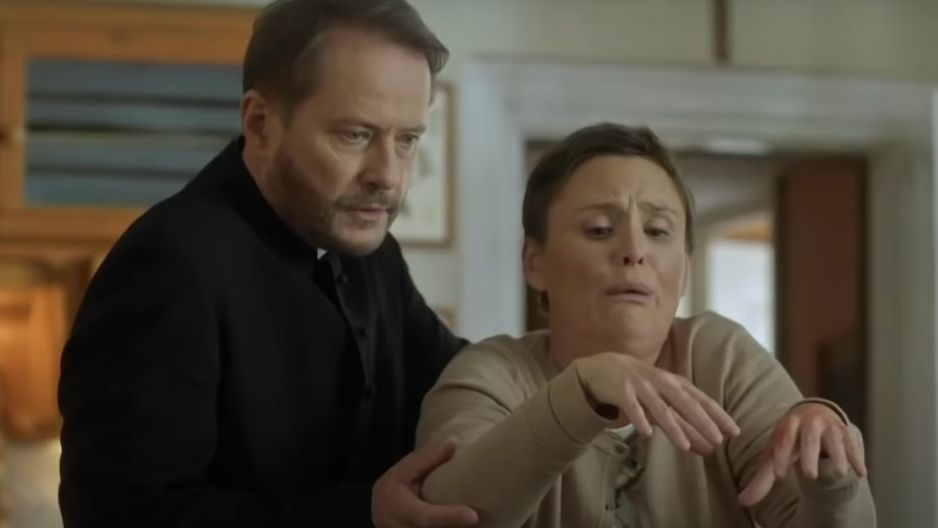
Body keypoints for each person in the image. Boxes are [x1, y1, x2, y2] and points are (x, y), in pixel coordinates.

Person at [57, 1, 478, 527]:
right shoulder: (168, 264)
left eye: (407, 140)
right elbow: (119, 517)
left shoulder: (375, 255)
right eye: (355, 135)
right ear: (260, 124)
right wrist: (362, 513)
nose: (389, 175)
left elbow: (459, 373)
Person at [416, 123, 877, 527]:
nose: (635, 251)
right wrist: (581, 392)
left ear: (685, 272)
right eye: (599, 229)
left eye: (657, 231)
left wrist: (831, 481)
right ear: (535, 263)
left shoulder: (722, 358)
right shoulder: (490, 374)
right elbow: (447, 512)